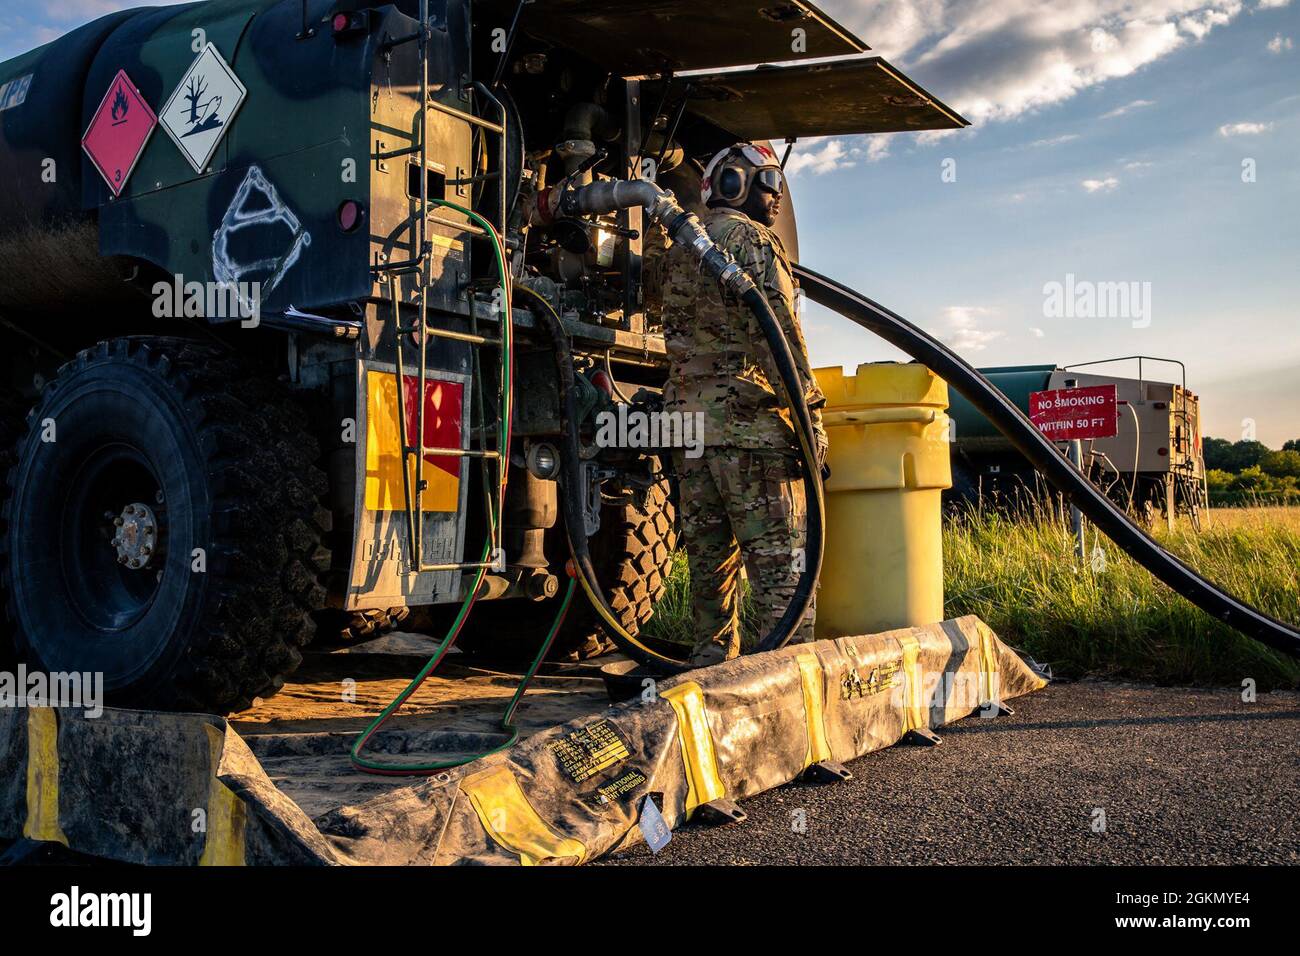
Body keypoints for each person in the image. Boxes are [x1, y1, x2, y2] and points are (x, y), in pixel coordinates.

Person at [660, 142, 827, 666]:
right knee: (783, 575)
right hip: (748, 431)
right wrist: (811, 421)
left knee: (710, 574)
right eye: (769, 184)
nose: (776, 198)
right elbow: (780, 337)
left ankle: (711, 681)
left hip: (687, 434)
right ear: (734, 184)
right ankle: (789, 689)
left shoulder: (678, 252)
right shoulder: (755, 241)